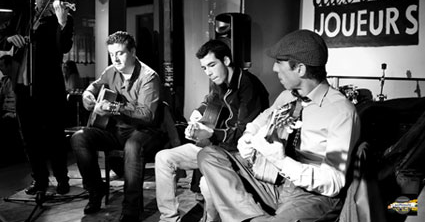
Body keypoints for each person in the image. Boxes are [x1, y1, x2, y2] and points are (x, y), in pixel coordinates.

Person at [198, 30, 361, 222]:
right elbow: (261, 119)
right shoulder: (287, 97)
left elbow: (334, 182)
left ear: (299, 69)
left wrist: (282, 161)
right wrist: (248, 136)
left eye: (279, 63)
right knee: (209, 155)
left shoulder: (340, 112)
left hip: (311, 195)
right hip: (274, 180)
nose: (275, 69)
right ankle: (251, 217)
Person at [155, 39, 269, 222]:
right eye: (204, 68)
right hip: (215, 147)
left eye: (212, 65)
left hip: (238, 155)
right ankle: (168, 219)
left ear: (226, 60)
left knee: (206, 183)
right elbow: (209, 101)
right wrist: (197, 115)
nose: (208, 72)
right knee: (163, 158)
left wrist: (210, 134)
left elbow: (241, 134)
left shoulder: (248, 86)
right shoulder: (220, 81)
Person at [70, 31, 165, 222]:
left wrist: (113, 108)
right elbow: (95, 86)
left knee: (133, 146)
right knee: (79, 137)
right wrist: (87, 95)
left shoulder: (149, 77)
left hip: (146, 131)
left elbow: (147, 115)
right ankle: (96, 190)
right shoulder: (110, 71)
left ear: (132, 51)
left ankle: (131, 210)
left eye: (120, 53)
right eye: (111, 54)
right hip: (118, 130)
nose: (115, 58)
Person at [0, 0, 74, 195]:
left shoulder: (61, 16)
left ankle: (62, 178)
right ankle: (39, 179)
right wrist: (8, 39)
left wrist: (63, 24)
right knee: (29, 137)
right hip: (23, 85)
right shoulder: (24, 15)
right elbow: (2, 36)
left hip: (49, 87)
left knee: (54, 136)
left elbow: (64, 47)